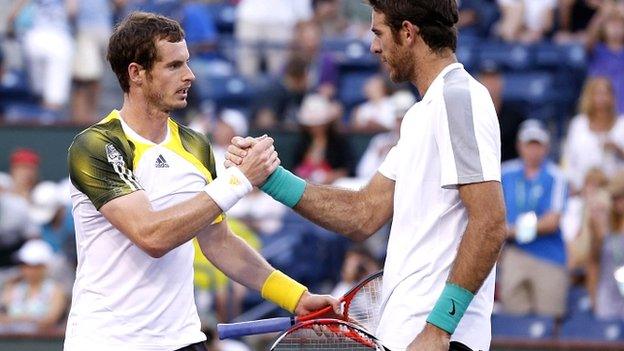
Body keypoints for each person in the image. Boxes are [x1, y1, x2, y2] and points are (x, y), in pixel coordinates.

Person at [226, 1, 507, 350]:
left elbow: (490, 222)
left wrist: (439, 328)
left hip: (442, 340)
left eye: (378, 33)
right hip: (408, 336)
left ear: (407, 33)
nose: (374, 46)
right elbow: (362, 213)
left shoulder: (458, 98)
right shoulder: (423, 114)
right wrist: (269, 177)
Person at [64, 12, 338, 351]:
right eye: (174, 66)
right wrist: (239, 180)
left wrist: (296, 296)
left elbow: (218, 242)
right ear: (136, 73)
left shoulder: (195, 144)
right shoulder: (95, 145)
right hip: (108, 342)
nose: (190, 75)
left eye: (187, 63)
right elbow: (151, 235)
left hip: (184, 339)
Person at [499, 120, 569, 318]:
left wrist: (512, 231)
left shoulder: (556, 176)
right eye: (529, 144)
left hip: (547, 256)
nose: (533, 150)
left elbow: (552, 221)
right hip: (514, 254)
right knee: (513, 318)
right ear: (520, 146)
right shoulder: (506, 172)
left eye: (537, 145)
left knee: (549, 319)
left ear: (546, 148)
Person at [561, 77, 624, 194]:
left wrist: (619, 150)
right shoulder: (578, 124)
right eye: (597, 93)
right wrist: (574, 185)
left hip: (616, 193)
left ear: (613, 97)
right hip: (582, 189)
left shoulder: (622, 125)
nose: (602, 98)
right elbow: (568, 160)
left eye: (606, 93)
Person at [0, 239, 67, 333]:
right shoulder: (12, 288)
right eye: (25, 265)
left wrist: (20, 320)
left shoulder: (56, 290)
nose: (29, 270)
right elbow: (2, 317)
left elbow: (51, 319)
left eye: (34, 266)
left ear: (44, 267)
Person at [588, 171, 624, 319]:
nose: (618, 202)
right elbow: (593, 263)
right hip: (608, 298)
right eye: (615, 198)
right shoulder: (603, 224)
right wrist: (594, 298)